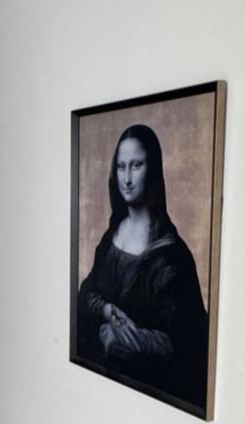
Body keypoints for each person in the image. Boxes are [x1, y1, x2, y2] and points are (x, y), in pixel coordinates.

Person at [76, 124, 208, 408]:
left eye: (136, 166)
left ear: (153, 169)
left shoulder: (172, 255)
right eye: (121, 166)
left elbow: (188, 343)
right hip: (99, 387)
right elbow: (87, 294)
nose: (126, 178)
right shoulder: (111, 236)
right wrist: (109, 312)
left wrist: (126, 340)